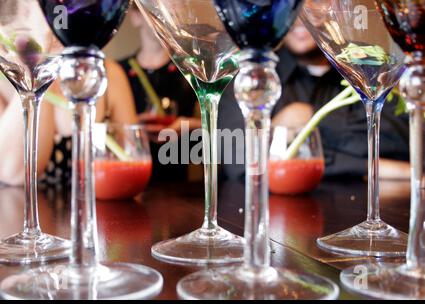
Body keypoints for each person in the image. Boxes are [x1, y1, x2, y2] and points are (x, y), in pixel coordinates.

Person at [218, 18, 410, 182]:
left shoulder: (371, 66)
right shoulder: (251, 74)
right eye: (294, 7)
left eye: (314, 2)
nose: (300, 18)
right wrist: (372, 167)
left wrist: (311, 118)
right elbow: (238, 160)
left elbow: (405, 140)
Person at [0, 57, 138, 186]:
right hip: (17, 209)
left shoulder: (106, 73)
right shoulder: (5, 78)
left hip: (101, 207)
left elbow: (133, 165)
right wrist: (36, 73)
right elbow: (14, 174)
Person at [119, 4, 200, 181]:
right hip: (129, 179)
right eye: (154, 8)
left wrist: (187, 125)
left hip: (179, 185)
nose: (164, 17)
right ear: (135, 16)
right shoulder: (118, 72)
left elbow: (222, 127)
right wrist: (132, 128)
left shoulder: (192, 70)